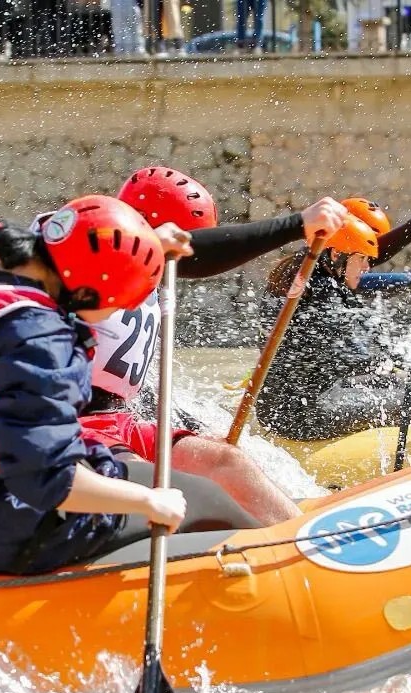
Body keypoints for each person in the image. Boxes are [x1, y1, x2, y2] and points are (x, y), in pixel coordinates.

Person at [0, 195, 258, 575]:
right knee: (206, 499)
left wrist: (137, 248)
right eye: (116, 304)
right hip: (3, 529)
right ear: (82, 295)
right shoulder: (36, 339)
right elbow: (49, 480)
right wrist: (148, 502)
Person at [77, 168, 348, 524]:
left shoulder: (151, 279)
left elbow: (138, 392)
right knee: (158, 481)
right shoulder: (92, 260)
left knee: (224, 459)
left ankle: (303, 540)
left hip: (119, 423)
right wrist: (296, 225)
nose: (186, 254)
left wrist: (196, 428)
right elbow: (198, 255)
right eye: (183, 240)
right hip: (74, 428)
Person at [255, 198, 411, 442]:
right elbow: (356, 357)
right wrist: (407, 358)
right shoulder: (323, 293)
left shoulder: (311, 270)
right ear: (337, 253)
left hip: (284, 405)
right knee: (405, 398)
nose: (368, 267)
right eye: (363, 259)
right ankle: (409, 463)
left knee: (391, 382)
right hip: (299, 416)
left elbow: (350, 350)